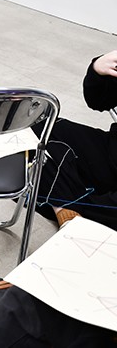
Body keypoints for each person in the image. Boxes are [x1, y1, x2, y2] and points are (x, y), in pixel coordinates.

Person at [34, 50, 117, 230]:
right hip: (111, 153)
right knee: (40, 129)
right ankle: (69, 204)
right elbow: (98, 101)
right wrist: (97, 69)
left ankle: (64, 203)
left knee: (32, 172)